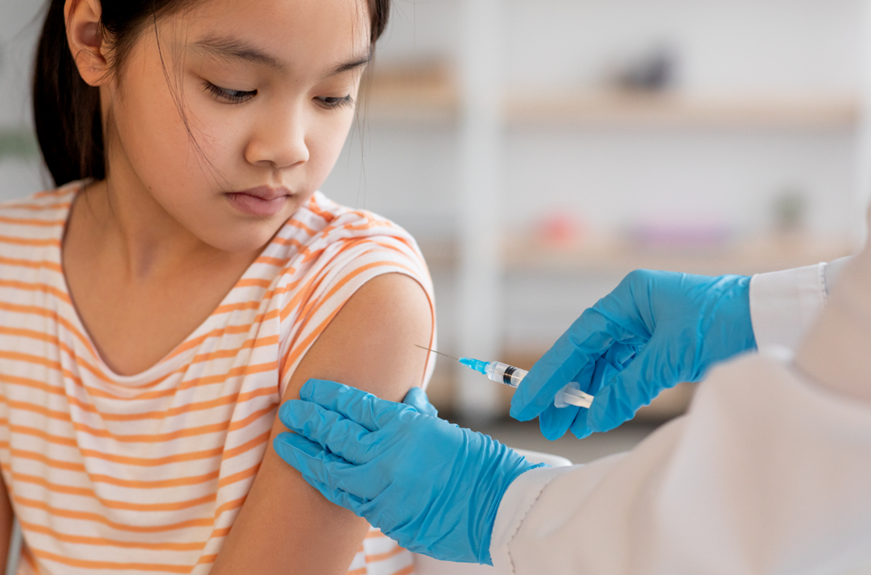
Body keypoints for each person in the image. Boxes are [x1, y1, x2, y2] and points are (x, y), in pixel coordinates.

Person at [0, 0, 435, 574]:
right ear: (93, 40)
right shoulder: (12, 263)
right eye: (233, 89)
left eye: (332, 95)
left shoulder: (357, 293)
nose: (289, 147)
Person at [275, 237, 871, 573]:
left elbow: (773, 521)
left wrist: (501, 502)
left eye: (333, 98)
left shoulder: (368, 282)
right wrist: (763, 308)